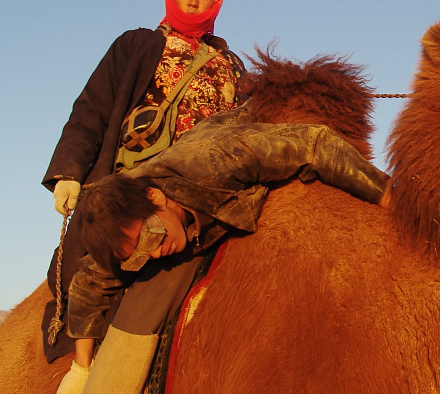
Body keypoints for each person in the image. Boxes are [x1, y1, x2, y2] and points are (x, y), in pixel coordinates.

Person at [56, 110, 390, 394]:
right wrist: (82, 369)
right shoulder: (122, 232)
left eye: (150, 237)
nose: (154, 254)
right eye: (138, 256)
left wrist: (391, 197)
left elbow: (313, 143)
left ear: (155, 197)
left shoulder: (216, 161)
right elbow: (88, 283)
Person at [42, 0, 244, 361]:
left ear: (217, 3)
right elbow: (93, 107)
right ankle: (87, 369)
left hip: (207, 185)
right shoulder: (137, 45)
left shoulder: (231, 64)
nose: (193, 2)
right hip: (138, 186)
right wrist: (69, 172)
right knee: (108, 269)